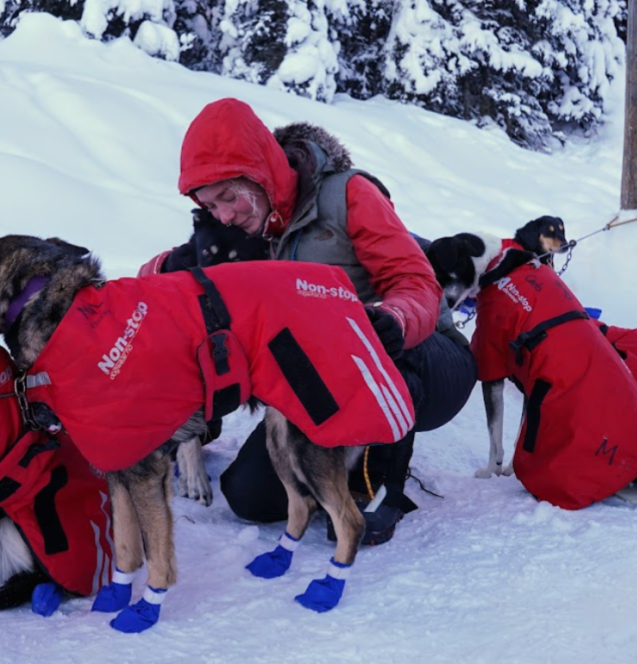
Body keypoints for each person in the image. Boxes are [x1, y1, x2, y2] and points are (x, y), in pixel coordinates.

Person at [139, 97, 477, 544]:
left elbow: (415, 281)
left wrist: (393, 318)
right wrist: (175, 262)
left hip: (425, 355)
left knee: (372, 340)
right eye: (210, 205)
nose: (224, 214)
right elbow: (154, 284)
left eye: (229, 196)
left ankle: (377, 485)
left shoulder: (348, 195)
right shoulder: (245, 230)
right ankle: (340, 456)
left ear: (260, 170)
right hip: (328, 375)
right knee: (249, 495)